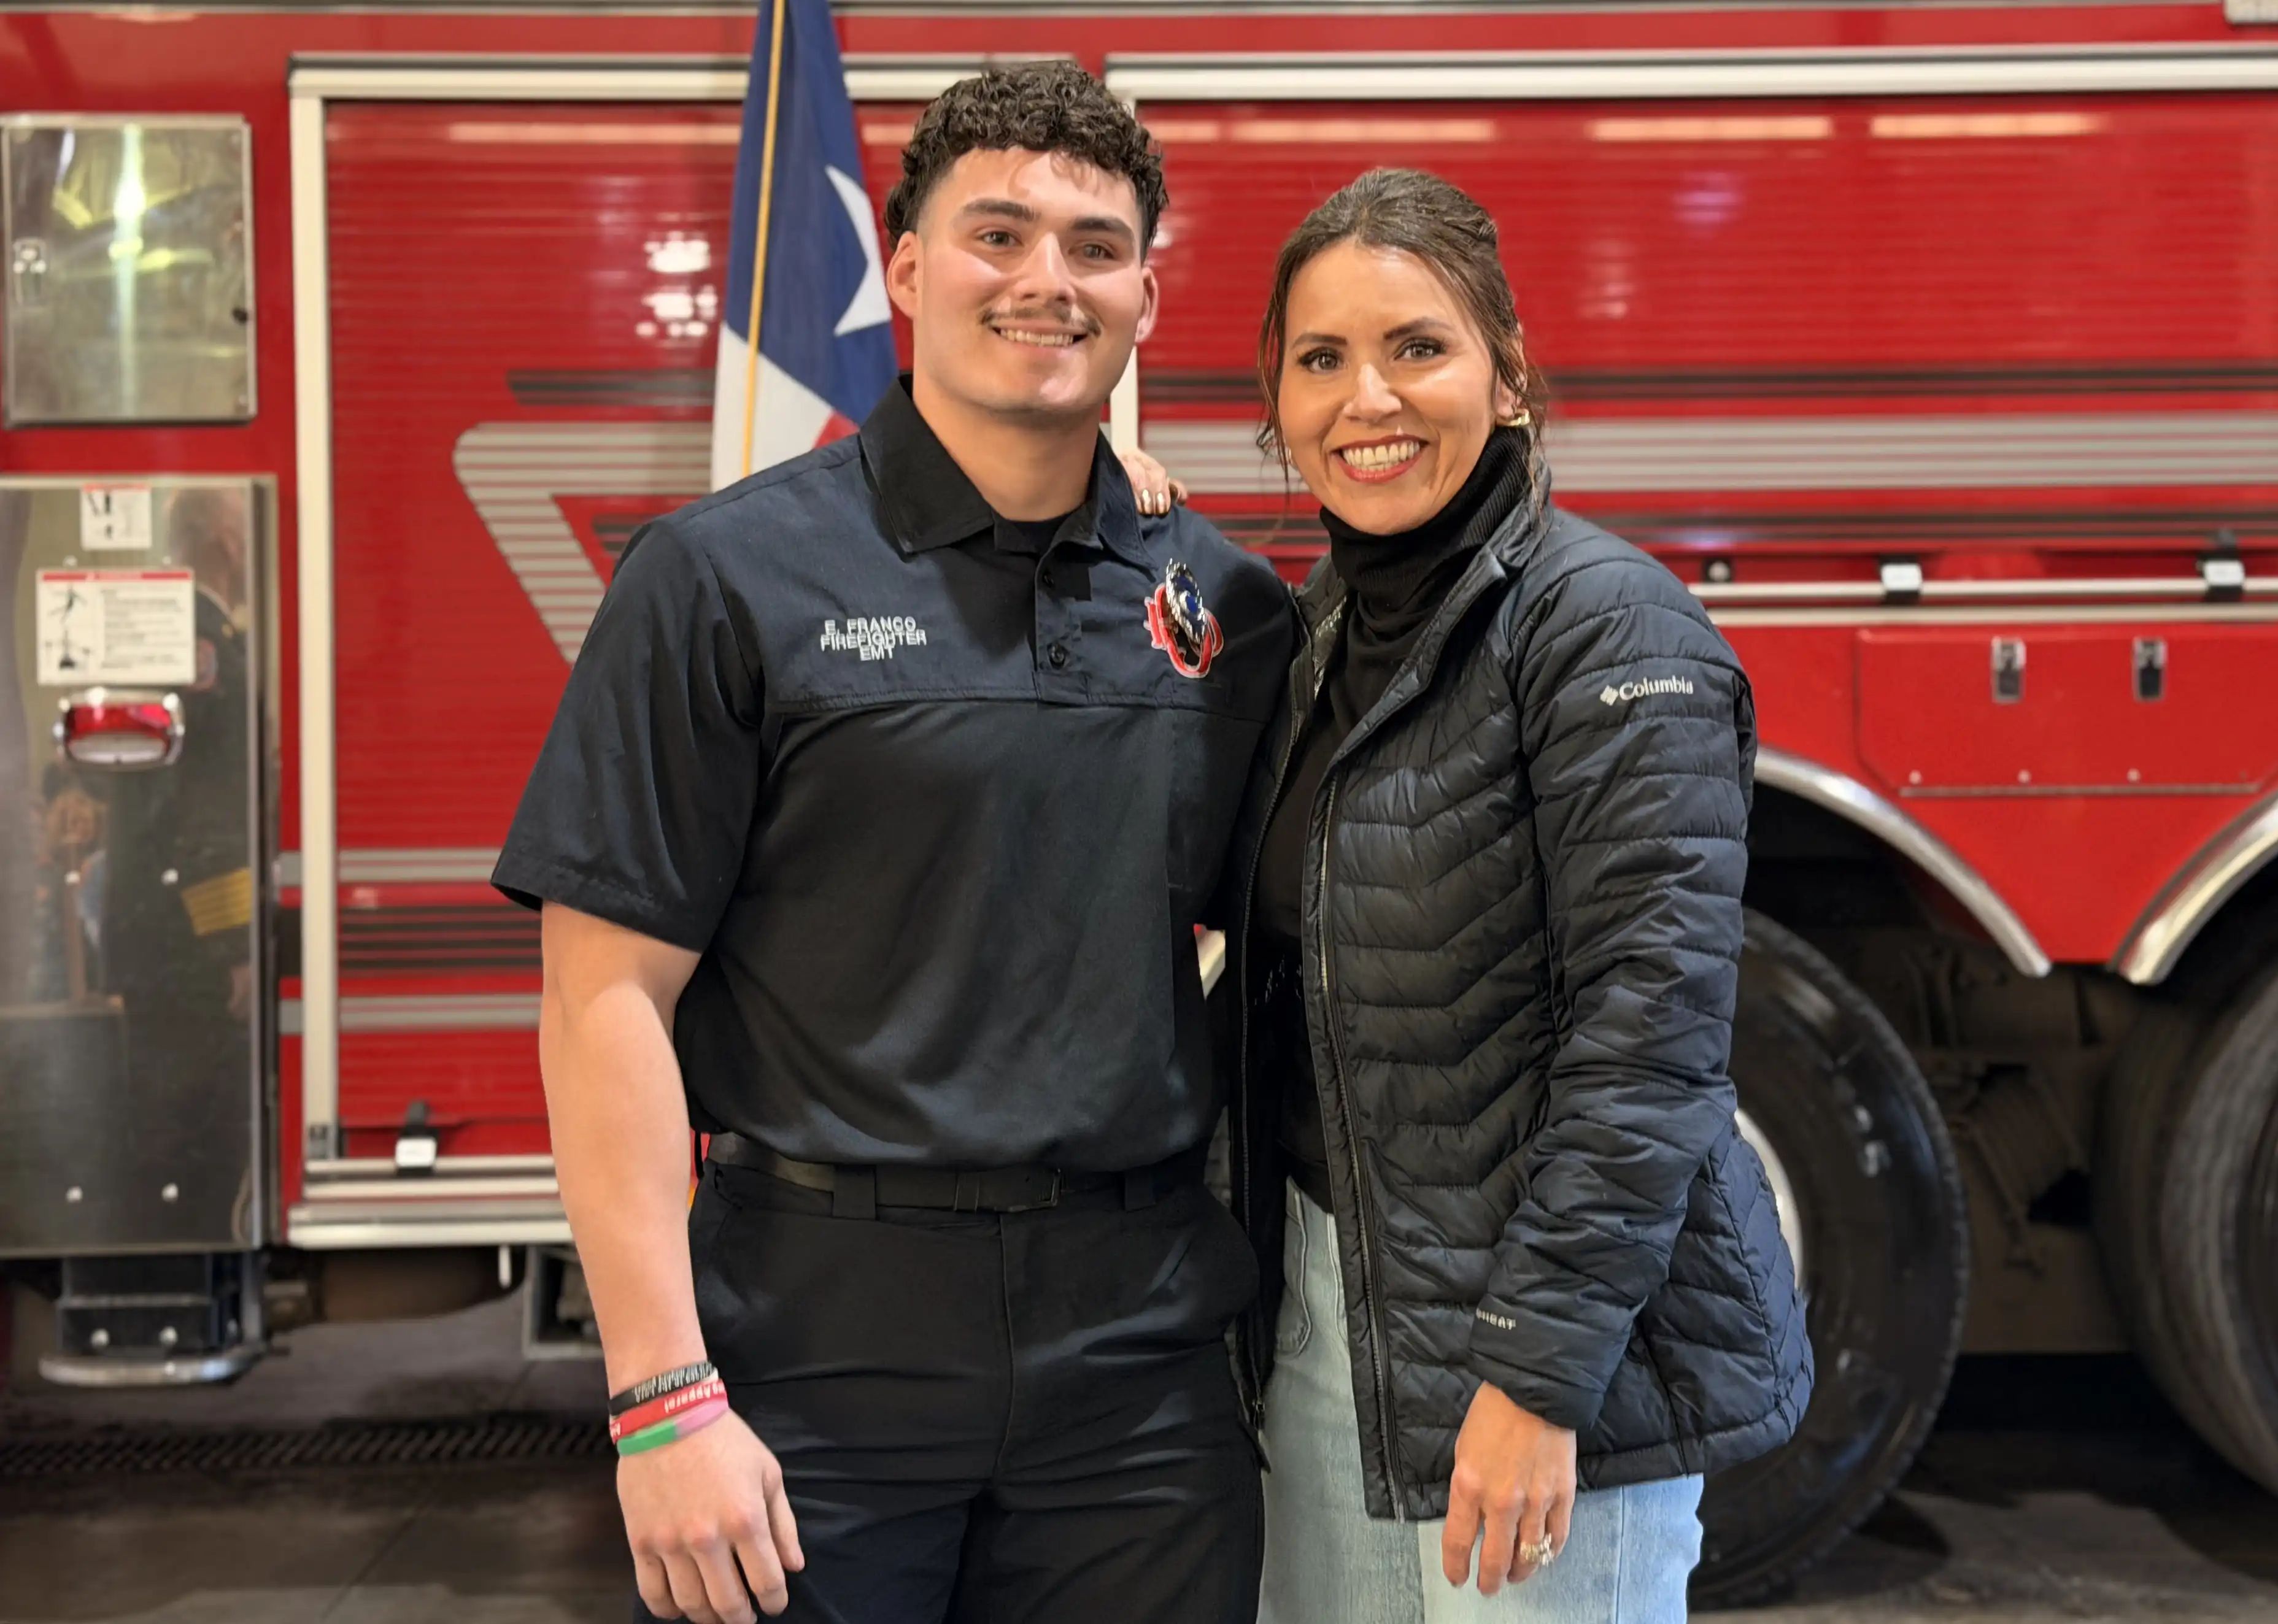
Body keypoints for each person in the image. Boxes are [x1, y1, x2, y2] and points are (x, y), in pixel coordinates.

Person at [493, 63, 1292, 1624]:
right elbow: (605, 1002)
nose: (1045, 280)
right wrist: (662, 1398)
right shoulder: (720, 582)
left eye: (1093, 244)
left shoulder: (1225, 610)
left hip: (1141, 1367)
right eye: (998, 234)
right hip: (815, 1347)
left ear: (1145, 292)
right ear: (910, 269)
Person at [1214, 169, 1813, 1623]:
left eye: (1418, 347)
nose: (1371, 398)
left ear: (1510, 369)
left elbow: (1650, 1041)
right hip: (1326, 1307)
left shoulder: (1606, 623)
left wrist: (1537, 1379)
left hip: (1544, 1355)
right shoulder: (1308, 638)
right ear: (1279, 405)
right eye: (1322, 359)